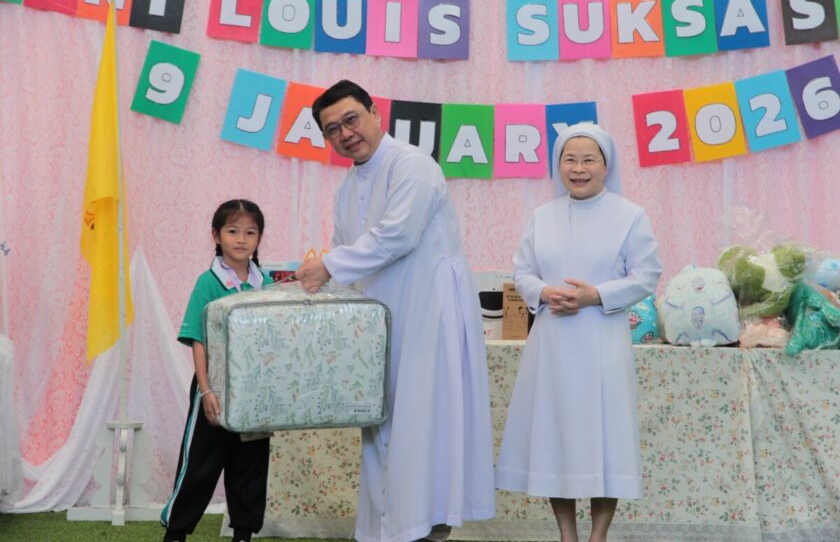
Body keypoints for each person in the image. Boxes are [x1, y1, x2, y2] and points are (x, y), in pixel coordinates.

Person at [295, 80, 496, 542]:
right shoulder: (347, 189)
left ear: (374, 113)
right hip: (380, 327)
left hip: (429, 316)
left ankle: (428, 529)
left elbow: (397, 236)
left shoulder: (412, 165)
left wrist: (328, 265)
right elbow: (346, 261)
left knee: (426, 426)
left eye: (351, 119)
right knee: (383, 425)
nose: (345, 133)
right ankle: (387, 530)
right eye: (332, 129)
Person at [495, 124, 662, 542]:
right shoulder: (543, 216)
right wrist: (543, 291)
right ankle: (567, 535)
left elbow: (647, 275)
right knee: (558, 438)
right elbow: (523, 271)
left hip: (602, 341)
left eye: (589, 160)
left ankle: (598, 535)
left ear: (606, 165)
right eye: (569, 159)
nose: (578, 168)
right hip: (553, 342)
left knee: (605, 440)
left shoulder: (630, 215)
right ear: (559, 166)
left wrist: (595, 295)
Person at [161, 199, 273, 542]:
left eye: (250, 232)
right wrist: (206, 390)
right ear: (216, 235)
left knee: (250, 464)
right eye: (233, 231)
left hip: (254, 391)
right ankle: (176, 533)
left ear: (259, 238)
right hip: (216, 388)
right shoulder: (208, 282)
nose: (241, 239)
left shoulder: (266, 283)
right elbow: (198, 339)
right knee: (200, 465)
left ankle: (243, 534)